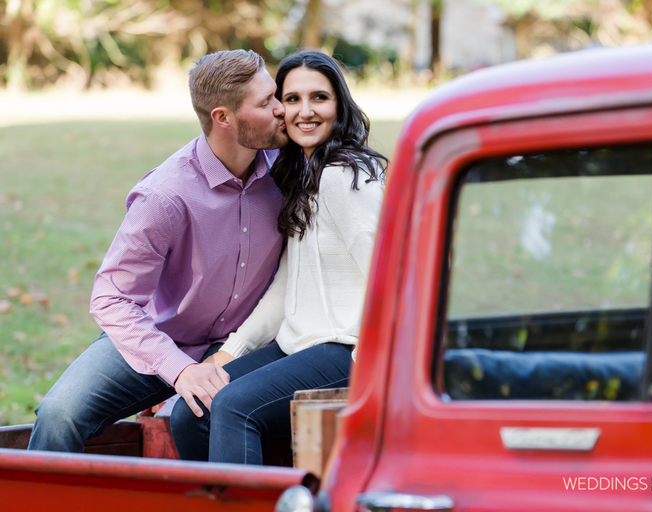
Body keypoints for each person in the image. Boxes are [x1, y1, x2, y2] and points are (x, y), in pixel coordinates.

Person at [28, 49, 289, 452]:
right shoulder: (164, 196)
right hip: (163, 339)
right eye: (265, 103)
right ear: (223, 118)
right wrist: (180, 369)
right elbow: (111, 299)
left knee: (206, 413)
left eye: (276, 95)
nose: (281, 110)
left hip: (243, 341)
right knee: (58, 415)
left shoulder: (289, 166)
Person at [170, 50, 387, 465]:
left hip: (350, 349)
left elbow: (391, 280)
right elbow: (285, 286)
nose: (305, 111)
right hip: (299, 345)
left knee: (233, 406)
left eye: (319, 98)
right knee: (192, 410)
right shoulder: (306, 176)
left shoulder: (344, 178)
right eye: (291, 99)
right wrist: (230, 354)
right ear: (278, 108)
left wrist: (373, 365)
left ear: (339, 105)